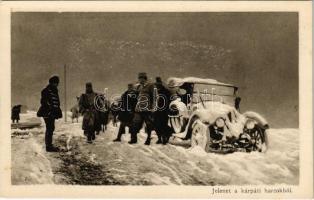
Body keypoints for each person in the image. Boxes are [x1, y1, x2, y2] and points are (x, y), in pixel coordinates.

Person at [129, 72, 156, 145]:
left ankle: (148, 139)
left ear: (145, 78)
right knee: (134, 123)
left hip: (147, 109)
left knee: (148, 125)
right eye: (139, 78)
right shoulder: (138, 87)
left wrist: (153, 107)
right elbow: (136, 96)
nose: (140, 80)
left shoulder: (151, 86)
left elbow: (155, 97)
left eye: (141, 78)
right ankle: (134, 139)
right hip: (138, 109)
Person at [37, 75, 62, 152]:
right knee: (50, 127)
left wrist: (57, 110)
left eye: (57, 83)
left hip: (52, 113)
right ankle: (48, 146)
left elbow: (57, 102)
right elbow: (43, 102)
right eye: (55, 83)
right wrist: (49, 108)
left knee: (51, 128)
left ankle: (49, 145)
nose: (56, 84)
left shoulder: (55, 91)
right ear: (51, 83)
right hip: (47, 112)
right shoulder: (46, 91)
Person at [153, 77, 172, 144]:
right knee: (156, 126)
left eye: (158, 84)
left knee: (163, 125)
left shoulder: (166, 92)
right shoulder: (155, 92)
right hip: (156, 111)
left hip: (164, 111)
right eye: (156, 85)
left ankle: (165, 137)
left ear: (161, 84)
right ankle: (159, 138)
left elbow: (169, 101)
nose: (157, 86)